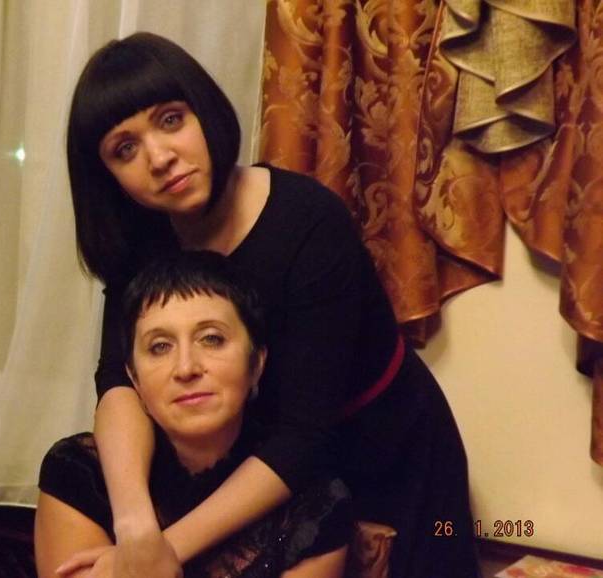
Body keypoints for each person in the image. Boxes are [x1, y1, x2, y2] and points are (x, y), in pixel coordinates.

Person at [60, 31, 481, 578]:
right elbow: (119, 379)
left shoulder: (309, 222)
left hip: (388, 459)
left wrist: (157, 552)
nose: (159, 157)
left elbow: (306, 436)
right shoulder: (141, 240)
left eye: (171, 120)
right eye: (125, 149)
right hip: (253, 472)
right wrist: (135, 525)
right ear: (107, 177)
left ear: (205, 110)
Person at [35, 251, 354, 578]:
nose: (186, 368)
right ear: (134, 378)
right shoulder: (80, 473)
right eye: (160, 346)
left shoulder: (314, 504)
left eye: (212, 339)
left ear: (256, 364)